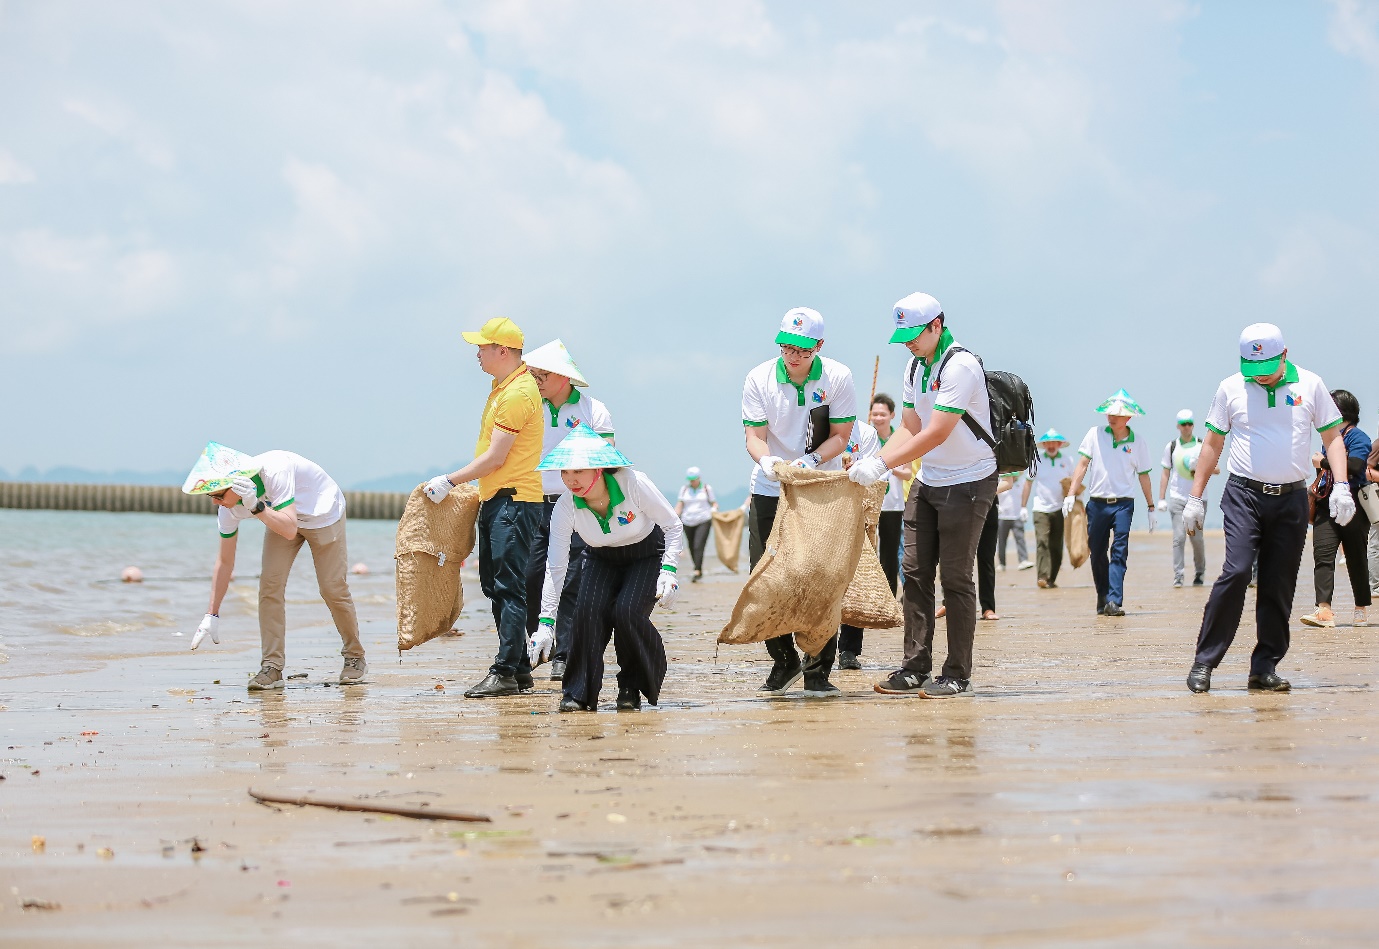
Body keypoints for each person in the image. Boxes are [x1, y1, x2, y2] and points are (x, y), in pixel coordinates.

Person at [1185, 323, 1352, 693]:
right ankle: (1205, 661)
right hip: (1244, 494)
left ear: (1285, 355)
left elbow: (1333, 439)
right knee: (1238, 570)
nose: (1259, 377)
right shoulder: (1230, 387)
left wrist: (1342, 486)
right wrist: (1196, 497)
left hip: (1292, 499)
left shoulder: (1310, 385)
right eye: (1252, 369)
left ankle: (1264, 667)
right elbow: (1212, 444)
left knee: (1278, 583)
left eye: (1267, 368)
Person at [849, 291, 997, 699]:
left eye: (915, 334)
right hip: (928, 481)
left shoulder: (961, 365)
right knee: (913, 573)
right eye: (904, 336)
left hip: (969, 480)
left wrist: (880, 466)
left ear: (937, 325)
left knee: (955, 577)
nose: (909, 343)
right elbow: (910, 426)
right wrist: (876, 458)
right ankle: (914, 666)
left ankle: (957, 673)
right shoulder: (915, 368)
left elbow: (937, 431)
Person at [183, 442, 365, 690]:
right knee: (269, 585)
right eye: (210, 496)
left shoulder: (275, 469)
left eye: (217, 495)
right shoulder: (228, 509)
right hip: (279, 516)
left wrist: (256, 507)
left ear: (237, 484)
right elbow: (225, 562)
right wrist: (211, 613)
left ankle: (354, 656)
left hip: (322, 513)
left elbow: (289, 529)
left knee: (331, 588)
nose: (215, 502)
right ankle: (272, 668)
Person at [425, 317, 544, 699]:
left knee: (508, 587)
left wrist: (450, 480)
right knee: (494, 585)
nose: (477, 354)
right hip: (498, 498)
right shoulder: (501, 387)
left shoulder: (517, 394)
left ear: (502, 351)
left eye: (482, 347)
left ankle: (506, 670)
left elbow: (495, 457)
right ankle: (521, 669)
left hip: (514, 500)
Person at [742, 306, 857, 696]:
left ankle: (818, 672)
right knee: (766, 575)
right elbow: (754, 437)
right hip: (770, 488)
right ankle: (784, 660)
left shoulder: (838, 376)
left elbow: (840, 435)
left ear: (819, 346)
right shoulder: (759, 377)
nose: (793, 356)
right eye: (787, 347)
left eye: (803, 350)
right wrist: (770, 461)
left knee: (821, 578)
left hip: (820, 488)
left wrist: (810, 461)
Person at [535, 424, 683, 712]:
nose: (570, 479)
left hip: (645, 556)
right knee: (587, 613)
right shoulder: (566, 507)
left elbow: (673, 525)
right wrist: (546, 623)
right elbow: (556, 566)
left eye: (578, 470)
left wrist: (669, 570)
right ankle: (578, 692)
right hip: (600, 559)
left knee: (626, 612)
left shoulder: (633, 483)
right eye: (564, 471)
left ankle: (630, 687)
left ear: (598, 469)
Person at [521, 339, 615, 683]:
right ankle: (539, 643)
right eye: (532, 375)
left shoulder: (594, 410)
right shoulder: (530, 409)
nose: (535, 381)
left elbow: (607, 459)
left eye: (541, 375)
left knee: (571, 580)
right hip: (533, 504)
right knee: (531, 578)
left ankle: (565, 654)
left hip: (577, 505)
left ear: (563, 377)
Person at [1064, 390, 1157, 617]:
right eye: (1109, 413)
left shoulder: (1139, 443)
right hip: (1097, 504)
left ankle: (1114, 600)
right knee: (1097, 552)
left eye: (1117, 414)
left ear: (1128, 417)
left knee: (1119, 550)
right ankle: (1102, 596)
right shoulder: (1094, 434)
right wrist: (1070, 494)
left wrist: (1151, 506)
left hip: (1124, 505)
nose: (1111, 417)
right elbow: (1083, 464)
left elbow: (1144, 475)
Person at [837, 395, 908, 670]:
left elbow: (875, 473)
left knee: (859, 576)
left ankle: (849, 650)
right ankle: (817, 648)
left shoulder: (865, 433)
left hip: (862, 513)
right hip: (823, 515)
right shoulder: (813, 426)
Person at [1301, 389, 1372, 629]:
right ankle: (1324, 609)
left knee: (1356, 558)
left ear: (1340, 412)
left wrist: (1322, 461)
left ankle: (1360, 608)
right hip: (1325, 504)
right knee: (1322, 555)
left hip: (1353, 504)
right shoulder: (1328, 438)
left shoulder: (1358, 437)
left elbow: (1355, 465)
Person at [1158, 408, 1209, 588]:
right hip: (1178, 498)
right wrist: (1161, 498)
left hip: (1198, 499)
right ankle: (1178, 576)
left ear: (1193, 425)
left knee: (1196, 539)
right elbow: (1165, 473)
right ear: (1178, 426)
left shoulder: (1202, 444)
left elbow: (1215, 469)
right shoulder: (1171, 446)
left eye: (1190, 424)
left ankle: (1200, 572)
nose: (1187, 427)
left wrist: (1201, 467)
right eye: (1183, 424)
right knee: (1179, 537)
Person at [1023, 429, 1074, 588]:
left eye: (1054, 443)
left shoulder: (1067, 460)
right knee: (1042, 542)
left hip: (1061, 508)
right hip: (1041, 508)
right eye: (1048, 443)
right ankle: (1042, 577)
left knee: (1056, 545)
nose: (1051, 446)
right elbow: (1028, 483)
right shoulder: (1036, 460)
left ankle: (1052, 578)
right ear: (1044, 445)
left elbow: (1073, 484)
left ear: (1059, 444)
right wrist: (1022, 507)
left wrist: (1076, 502)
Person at [675, 467, 717, 582]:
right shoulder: (684, 489)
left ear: (699, 478)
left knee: (699, 545)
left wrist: (714, 510)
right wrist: (673, 518)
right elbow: (679, 505)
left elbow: (714, 503)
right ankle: (697, 568)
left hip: (704, 519)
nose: (692, 481)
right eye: (690, 479)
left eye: (694, 479)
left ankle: (697, 570)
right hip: (687, 521)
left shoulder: (706, 488)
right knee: (692, 546)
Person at [996, 473, 1032, 572]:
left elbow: (1025, 495)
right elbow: (995, 495)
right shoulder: (1001, 482)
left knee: (1020, 539)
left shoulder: (1022, 482)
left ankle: (1023, 560)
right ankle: (1002, 563)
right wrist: (997, 507)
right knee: (1002, 541)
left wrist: (1024, 508)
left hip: (1017, 516)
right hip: (1003, 516)